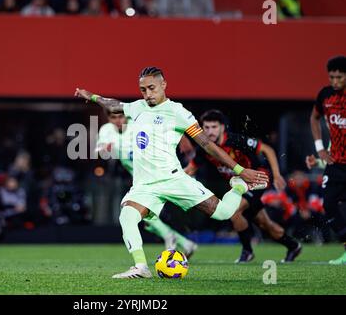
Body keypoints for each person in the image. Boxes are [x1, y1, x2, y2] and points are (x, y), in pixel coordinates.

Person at [75, 66, 269, 278]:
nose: (148, 94)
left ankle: (238, 186)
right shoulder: (137, 107)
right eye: (143, 90)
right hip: (145, 185)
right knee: (127, 216)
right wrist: (92, 96)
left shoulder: (178, 112)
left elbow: (207, 145)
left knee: (223, 213)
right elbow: (114, 104)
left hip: (173, 179)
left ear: (163, 85)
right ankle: (141, 267)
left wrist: (239, 170)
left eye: (151, 88)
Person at [184, 109, 301, 263]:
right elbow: (190, 169)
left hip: (256, 180)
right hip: (238, 187)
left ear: (222, 127)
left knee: (233, 211)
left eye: (214, 127)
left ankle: (247, 251)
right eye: (206, 127)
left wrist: (277, 174)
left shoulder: (235, 140)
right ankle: (293, 245)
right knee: (265, 224)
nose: (210, 131)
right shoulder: (204, 149)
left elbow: (267, 149)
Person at [96, 109, 198, 257]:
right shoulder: (106, 130)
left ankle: (173, 237)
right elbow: (100, 150)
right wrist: (104, 149)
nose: (118, 120)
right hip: (141, 179)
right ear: (108, 119)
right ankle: (184, 242)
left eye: (120, 116)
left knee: (136, 212)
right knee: (145, 216)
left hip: (159, 173)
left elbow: (165, 126)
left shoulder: (138, 124)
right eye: (113, 117)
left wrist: (182, 138)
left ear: (126, 116)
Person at [310, 55, 346, 265]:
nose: (334, 81)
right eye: (332, 77)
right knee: (329, 204)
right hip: (336, 163)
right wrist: (320, 148)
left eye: (339, 77)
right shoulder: (325, 95)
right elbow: (314, 117)